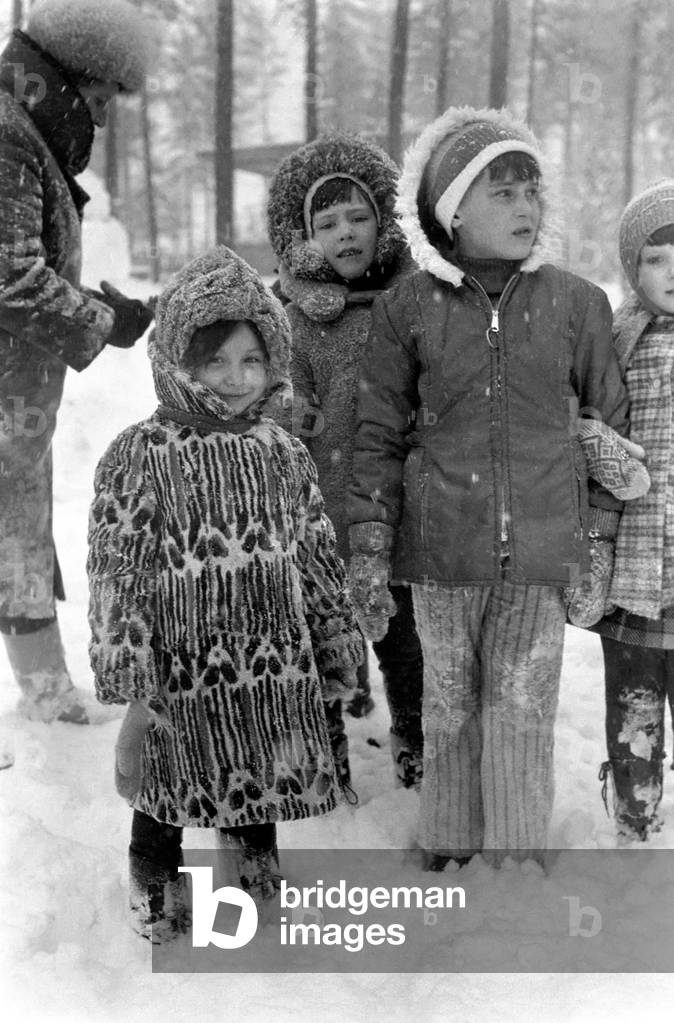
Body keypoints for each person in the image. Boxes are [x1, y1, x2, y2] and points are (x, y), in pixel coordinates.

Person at [347, 106, 634, 866]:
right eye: (501, 192)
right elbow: (375, 435)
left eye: (531, 190)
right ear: (452, 211)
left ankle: (514, 855)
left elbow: (610, 434)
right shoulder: (408, 308)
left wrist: (598, 541)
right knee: (448, 705)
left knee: (523, 705)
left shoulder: (578, 305)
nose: (525, 207)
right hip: (442, 551)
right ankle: (445, 843)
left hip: (539, 553)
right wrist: (369, 548)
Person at [87, 247, 363, 941]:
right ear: (179, 361)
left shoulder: (281, 450)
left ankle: (256, 896)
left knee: (256, 784)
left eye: (250, 360)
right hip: (179, 672)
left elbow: (315, 553)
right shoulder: (140, 453)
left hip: (269, 668)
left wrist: (334, 637)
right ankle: (157, 901)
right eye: (215, 361)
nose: (236, 379)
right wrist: (129, 668)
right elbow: (116, 568)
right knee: (165, 794)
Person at [0, 0, 154, 729]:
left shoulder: (24, 134)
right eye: (93, 100)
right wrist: (104, 321)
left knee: (20, 539)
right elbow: (8, 277)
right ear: (57, 80)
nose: (95, 119)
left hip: (15, 406)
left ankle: (47, 696)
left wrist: (97, 310)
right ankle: (47, 698)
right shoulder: (6, 136)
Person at [267, 132, 425, 792]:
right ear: (303, 235)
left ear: (384, 221)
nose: (345, 234)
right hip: (322, 505)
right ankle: (328, 734)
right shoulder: (297, 316)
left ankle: (413, 732)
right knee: (325, 629)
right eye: (326, 223)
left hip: (398, 506)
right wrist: (287, 414)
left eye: (358, 217)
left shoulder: (415, 304)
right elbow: (283, 394)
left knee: (402, 630)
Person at [593, 180, 674, 841]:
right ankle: (633, 808)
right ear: (631, 266)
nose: (673, 272)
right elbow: (590, 426)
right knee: (635, 707)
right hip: (633, 570)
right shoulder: (616, 340)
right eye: (656, 257)